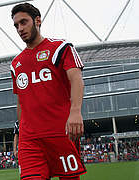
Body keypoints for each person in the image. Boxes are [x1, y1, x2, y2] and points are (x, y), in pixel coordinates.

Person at [10, 3, 86, 180]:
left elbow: (76, 79)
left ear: (38, 21)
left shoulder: (61, 48)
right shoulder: (16, 64)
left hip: (61, 133)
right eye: (16, 25)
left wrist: (75, 113)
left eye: (24, 22)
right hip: (30, 140)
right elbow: (21, 100)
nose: (20, 29)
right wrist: (20, 134)